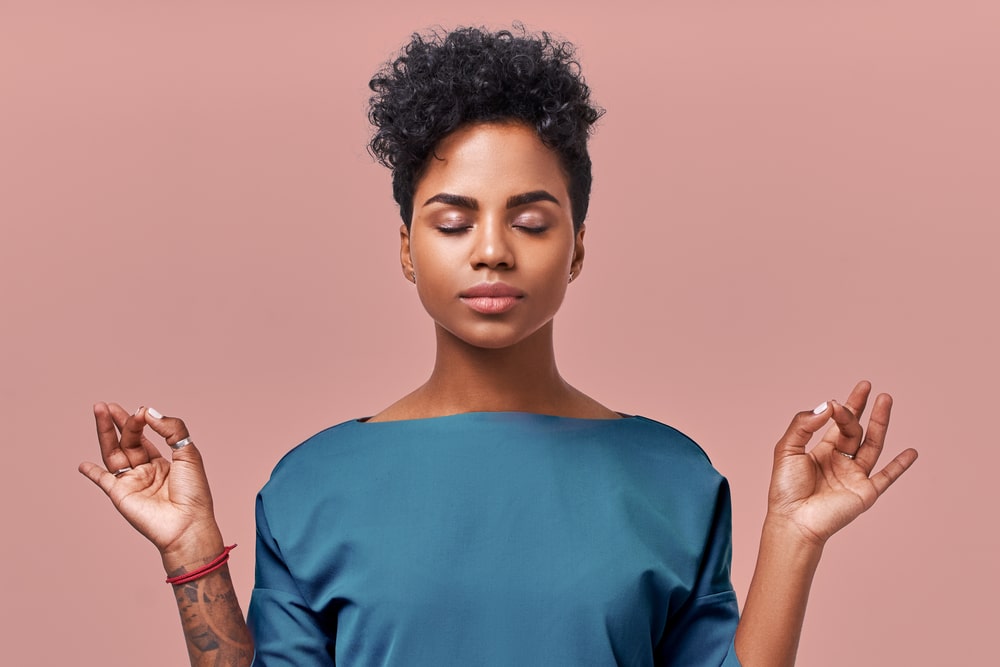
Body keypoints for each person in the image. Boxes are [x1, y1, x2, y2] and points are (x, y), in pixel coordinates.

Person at [78, 26, 918, 667]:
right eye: (452, 220)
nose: (491, 249)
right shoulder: (310, 485)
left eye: (530, 219)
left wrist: (793, 536)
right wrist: (191, 548)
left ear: (578, 246)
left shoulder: (672, 476)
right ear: (406, 248)